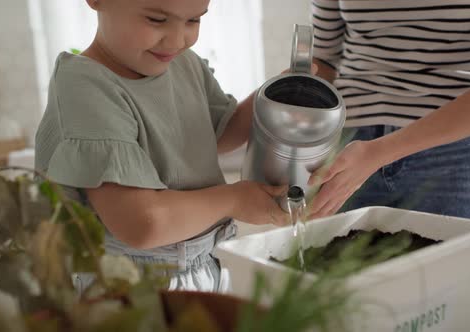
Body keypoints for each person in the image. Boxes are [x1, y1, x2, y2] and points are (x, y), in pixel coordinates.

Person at [35, 0, 290, 292]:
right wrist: (235, 200)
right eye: (157, 19)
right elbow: (141, 224)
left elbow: (219, 135)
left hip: (204, 264)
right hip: (127, 286)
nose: (178, 40)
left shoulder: (183, 63)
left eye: (194, 20)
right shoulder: (86, 86)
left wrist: (278, 95)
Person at [307, 0, 470, 263]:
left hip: (451, 160)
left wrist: (380, 152)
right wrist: (284, 127)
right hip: (347, 153)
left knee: (449, 301)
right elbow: (323, 58)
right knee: (344, 302)